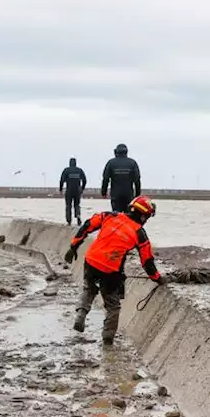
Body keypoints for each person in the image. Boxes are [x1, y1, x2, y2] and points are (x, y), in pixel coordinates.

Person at [64, 195, 163, 345]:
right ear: (143, 216)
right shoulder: (139, 234)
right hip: (110, 270)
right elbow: (147, 261)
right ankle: (108, 338)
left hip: (91, 261)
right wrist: (157, 278)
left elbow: (87, 226)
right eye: (147, 217)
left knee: (89, 290)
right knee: (113, 306)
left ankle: (80, 315)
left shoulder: (109, 215)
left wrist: (73, 246)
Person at [101, 143, 141, 212]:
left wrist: (104, 192)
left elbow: (105, 178)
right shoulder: (132, 163)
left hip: (115, 195)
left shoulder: (111, 163)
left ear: (116, 152)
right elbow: (137, 179)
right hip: (128, 195)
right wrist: (137, 194)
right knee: (129, 216)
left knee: (116, 216)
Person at [59, 157, 87, 225]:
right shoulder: (79, 170)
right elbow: (84, 180)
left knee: (68, 206)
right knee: (77, 205)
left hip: (69, 190)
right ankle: (78, 216)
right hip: (77, 191)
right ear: (75, 163)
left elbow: (62, 180)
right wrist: (82, 188)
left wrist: (60, 189)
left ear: (69, 163)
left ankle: (69, 221)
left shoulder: (66, 170)